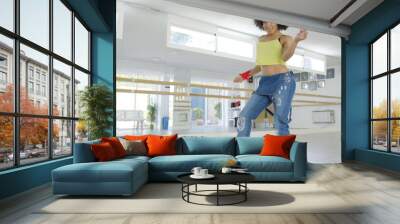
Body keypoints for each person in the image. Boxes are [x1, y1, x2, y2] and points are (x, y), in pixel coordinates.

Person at [234, 20, 308, 137]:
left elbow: (285, 57)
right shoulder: (261, 40)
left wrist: (296, 41)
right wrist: (244, 75)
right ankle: (242, 148)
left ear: (278, 22)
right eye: (264, 22)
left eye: (271, 22)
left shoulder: (285, 38)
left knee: (280, 120)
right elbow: (260, 66)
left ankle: (282, 152)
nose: (267, 25)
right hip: (264, 83)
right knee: (244, 116)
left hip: (283, 81)